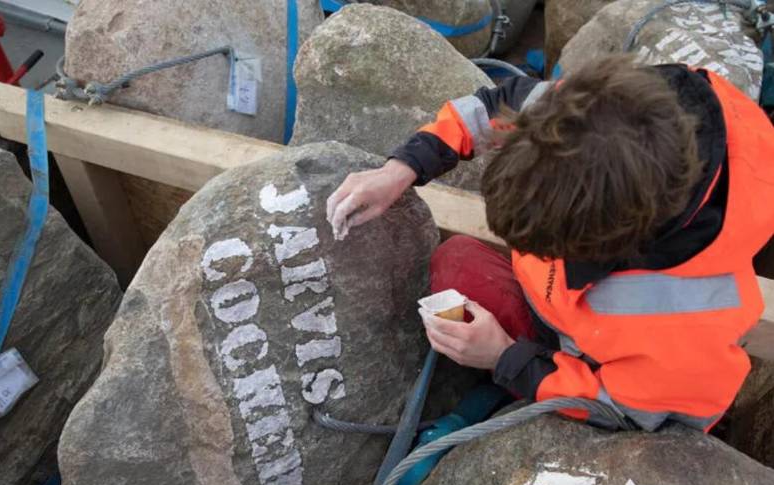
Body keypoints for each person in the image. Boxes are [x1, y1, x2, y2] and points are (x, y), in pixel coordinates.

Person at [326, 55, 774, 431]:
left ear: (607, 245)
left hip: (599, 369)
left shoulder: (682, 320)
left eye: (547, 247)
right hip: (565, 313)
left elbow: (628, 411)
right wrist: (402, 168)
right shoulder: (598, 114)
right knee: (457, 264)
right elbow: (494, 106)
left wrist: (506, 359)